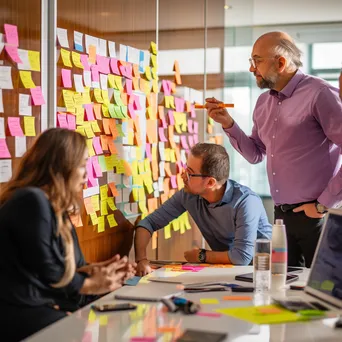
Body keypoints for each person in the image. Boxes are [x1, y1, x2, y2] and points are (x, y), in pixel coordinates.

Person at [206, 31, 342, 267]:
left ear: (280, 63)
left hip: (318, 217)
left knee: (324, 293)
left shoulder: (320, 93)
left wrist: (324, 204)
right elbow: (256, 154)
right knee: (285, 290)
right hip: (281, 218)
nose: (252, 68)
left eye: (256, 60)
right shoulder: (262, 103)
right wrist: (228, 123)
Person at [0, 128, 136, 341]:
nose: (86, 174)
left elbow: (71, 269)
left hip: (44, 306)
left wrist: (106, 273)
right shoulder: (31, 200)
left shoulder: (57, 209)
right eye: (82, 165)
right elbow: (50, 272)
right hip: (19, 313)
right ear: (63, 166)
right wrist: (93, 283)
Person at [134, 143, 272, 276]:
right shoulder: (188, 195)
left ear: (210, 182)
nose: (183, 177)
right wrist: (141, 260)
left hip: (265, 272)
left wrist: (202, 255)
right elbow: (148, 224)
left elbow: (241, 257)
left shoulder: (246, 201)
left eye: (190, 173)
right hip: (228, 270)